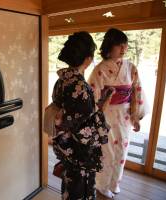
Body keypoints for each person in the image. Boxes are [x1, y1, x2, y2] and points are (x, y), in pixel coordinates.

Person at [88, 28, 148, 198]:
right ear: (109, 47)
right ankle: (101, 185)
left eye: (125, 45)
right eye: (119, 45)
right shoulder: (99, 69)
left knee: (122, 150)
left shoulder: (131, 67)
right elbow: (93, 95)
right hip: (105, 114)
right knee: (106, 152)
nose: (123, 48)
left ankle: (114, 183)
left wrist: (136, 116)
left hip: (125, 114)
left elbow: (137, 91)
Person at [52, 31, 111, 200]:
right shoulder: (80, 87)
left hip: (66, 146)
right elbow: (85, 127)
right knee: (80, 190)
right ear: (87, 58)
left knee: (69, 185)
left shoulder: (63, 80)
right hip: (79, 151)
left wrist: (96, 106)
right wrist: (101, 110)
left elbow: (76, 114)